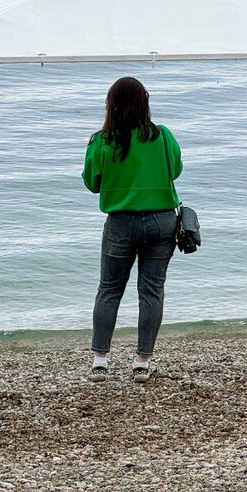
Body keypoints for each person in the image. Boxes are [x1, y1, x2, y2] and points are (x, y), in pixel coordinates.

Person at [83, 76, 183, 382]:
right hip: (161, 221)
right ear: (145, 103)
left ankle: (101, 360)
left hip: (120, 222)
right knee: (151, 291)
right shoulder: (163, 136)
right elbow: (176, 170)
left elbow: (92, 183)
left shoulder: (102, 141)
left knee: (109, 289)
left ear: (111, 105)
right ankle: (142, 362)